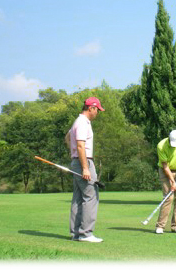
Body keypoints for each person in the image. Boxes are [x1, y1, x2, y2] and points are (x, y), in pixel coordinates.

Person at [65, 97, 105, 243]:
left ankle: (76, 233)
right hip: (84, 162)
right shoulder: (83, 123)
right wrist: (85, 168)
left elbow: (68, 137)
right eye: (97, 110)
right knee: (91, 196)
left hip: (77, 161)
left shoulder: (78, 121)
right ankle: (86, 234)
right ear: (91, 108)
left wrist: (73, 154)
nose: (97, 113)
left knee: (78, 198)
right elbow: (81, 145)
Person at [155, 130, 176, 234]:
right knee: (168, 198)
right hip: (165, 171)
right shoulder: (161, 146)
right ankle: (160, 226)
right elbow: (165, 166)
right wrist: (172, 181)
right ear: (169, 139)